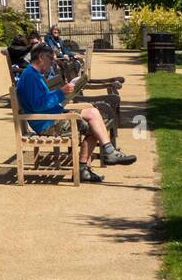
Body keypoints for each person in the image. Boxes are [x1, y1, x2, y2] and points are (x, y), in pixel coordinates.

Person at [16, 43, 135, 182]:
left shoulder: (33, 74)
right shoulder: (30, 76)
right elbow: (38, 105)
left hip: (53, 117)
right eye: (50, 58)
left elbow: (43, 100)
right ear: (41, 57)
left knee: (94, 115)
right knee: (95, 122)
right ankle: (97, 159)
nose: (52, 62)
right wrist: (61, 92)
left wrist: (65, 95)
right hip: (47, 123)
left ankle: (103, 154)